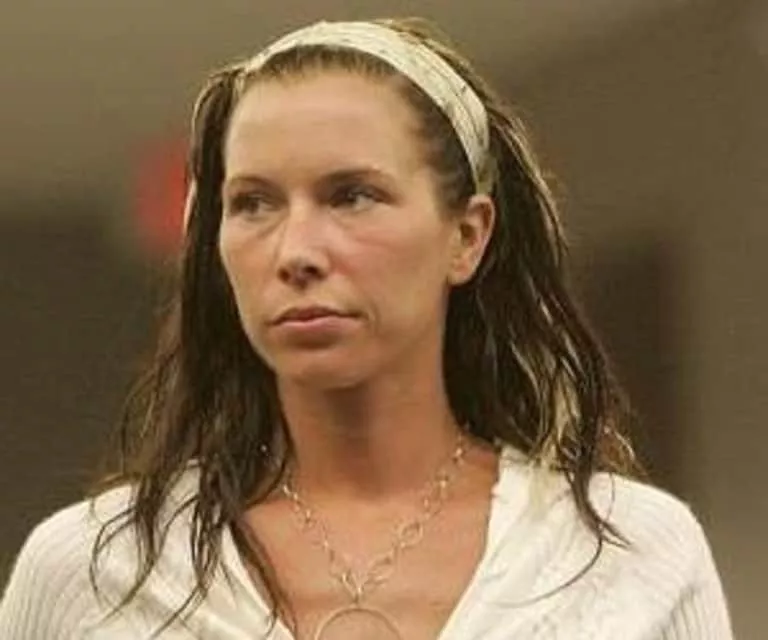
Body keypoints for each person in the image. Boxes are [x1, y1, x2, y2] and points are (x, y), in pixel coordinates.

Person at [0, 17, 732, 640]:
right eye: (253, 203)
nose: (296, 252)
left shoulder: (627, 554)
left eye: (352, 196)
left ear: (467, 236)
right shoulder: (97, 571)